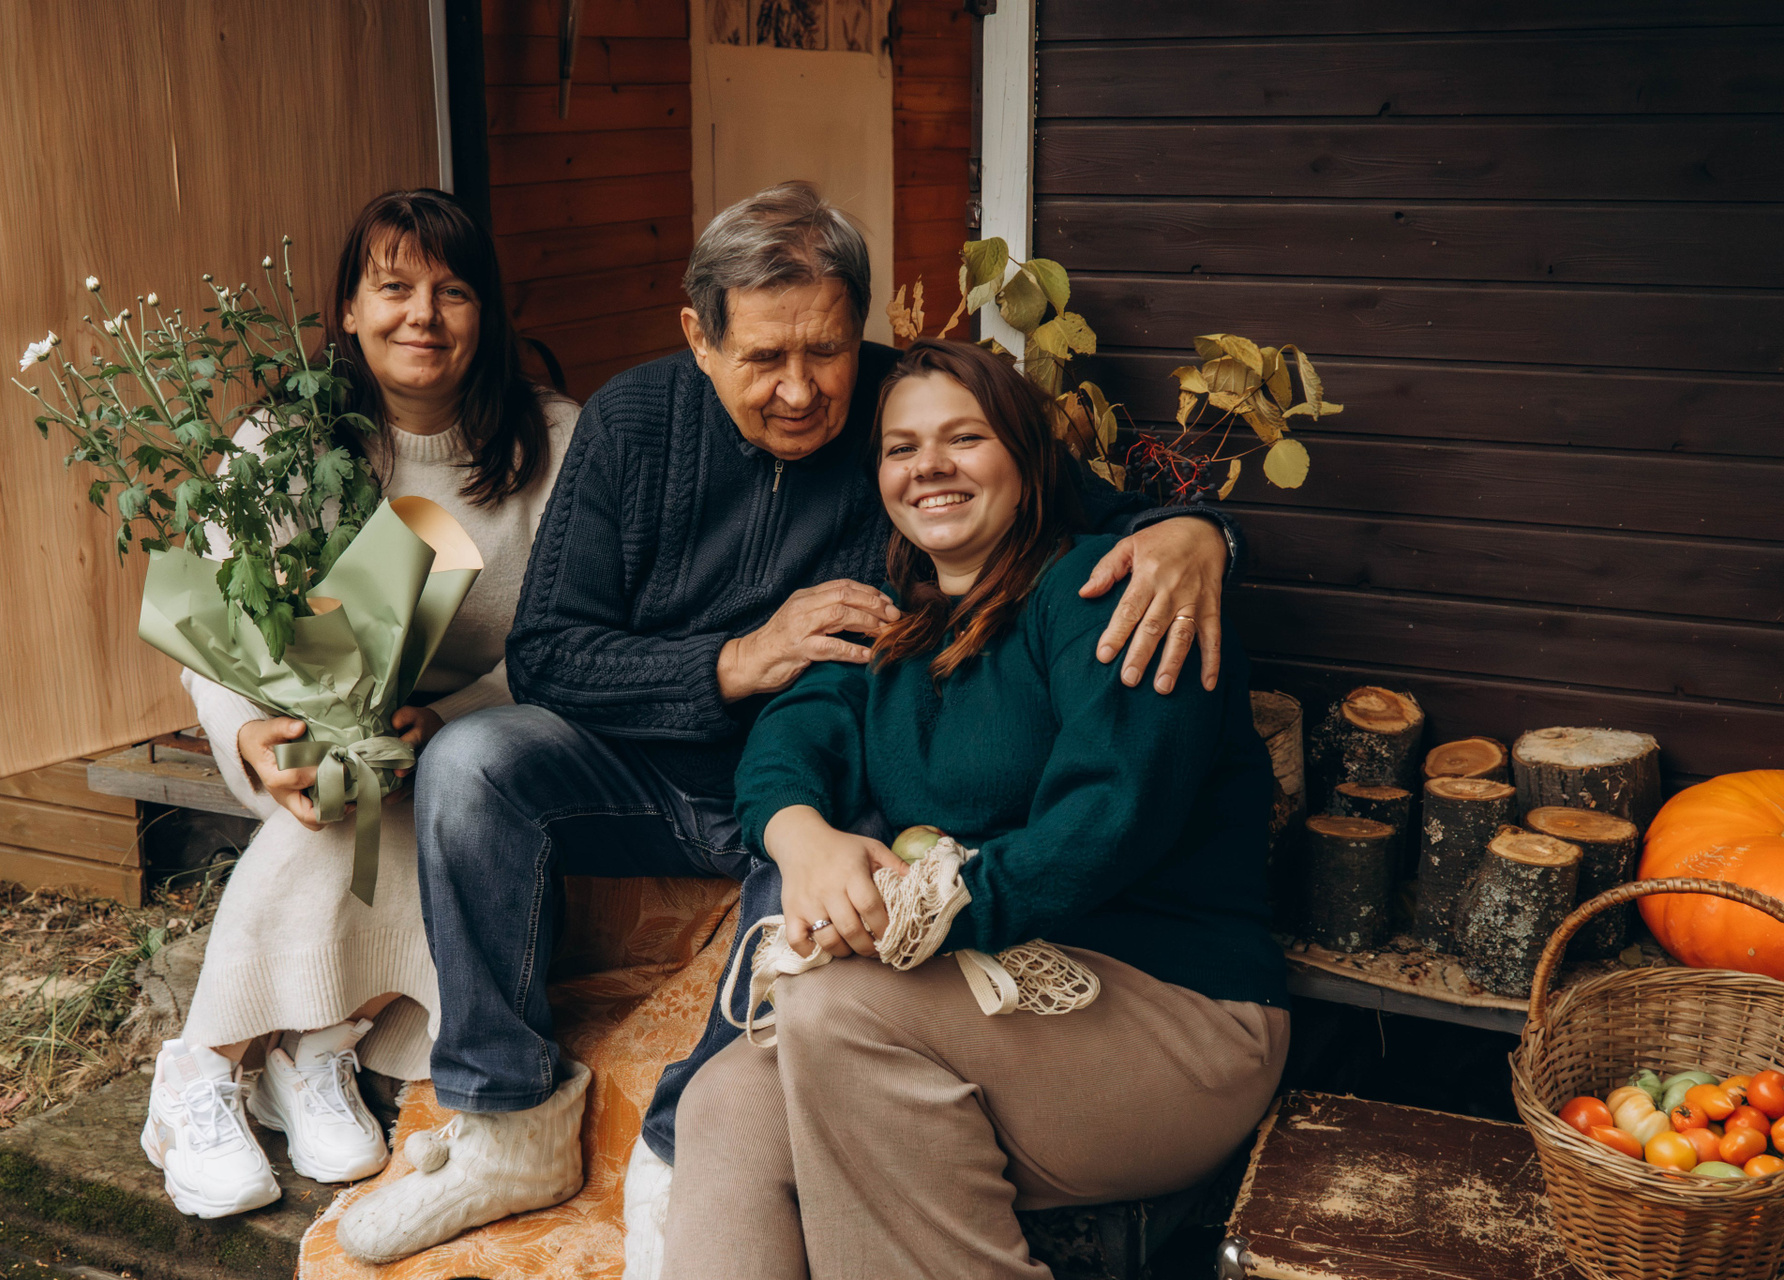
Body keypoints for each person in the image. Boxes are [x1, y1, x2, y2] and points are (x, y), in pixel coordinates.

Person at [333, 181, 1245, 1263]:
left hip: (824, 783)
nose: (802, 389)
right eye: (764, 358)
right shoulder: (631, 421)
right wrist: (732, 661)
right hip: (638, 772)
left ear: (860, 327)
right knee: (473, 760)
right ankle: (506, 1119)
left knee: (827, 852)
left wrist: (1200, 533)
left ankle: (677, 1153)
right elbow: (547, 654)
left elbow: (1074, 501)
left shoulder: (906, 416)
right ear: (699, 338)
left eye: (827, 349)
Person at [662, 338, 1290, 1280]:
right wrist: (805, 841)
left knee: (834, 1009)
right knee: (725, 1101)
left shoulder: (1107, 592)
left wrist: (918, 912)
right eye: (902, 448)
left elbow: (1108, 821)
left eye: (964, 438)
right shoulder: (895, 616)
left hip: (1176, 1014)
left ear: (1028, 460)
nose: (929, 468)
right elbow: (787, 741)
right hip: (988, 993)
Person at [140, 189, 578, 1220]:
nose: (422, 314)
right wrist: (251, 737)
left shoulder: (556, 443)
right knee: (352, 785)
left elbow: (576, 634)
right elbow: (218, 625)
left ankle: (291, 1047)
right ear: (348, 309)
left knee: (451, 783)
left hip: (491, 731)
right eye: (394, 287)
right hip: (309, 742)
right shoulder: (286, 442)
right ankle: (211, 1073)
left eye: (453, 290)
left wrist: (461, 712)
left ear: (487, 311)